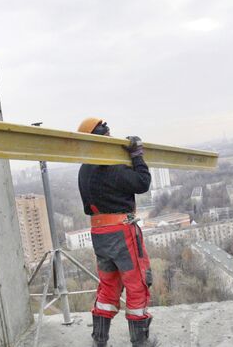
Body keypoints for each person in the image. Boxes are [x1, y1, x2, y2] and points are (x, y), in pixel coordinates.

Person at [77, 117, 155, 347]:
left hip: (99, 235)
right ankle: (140, 342)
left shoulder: (84, 170)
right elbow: (142, 182)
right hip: (122, 234)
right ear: (103, 137)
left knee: (109, 285)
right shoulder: (110, 166)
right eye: (108, 134)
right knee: (137, 283)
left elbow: (86, 207)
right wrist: (137, 155)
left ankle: (99, 341)